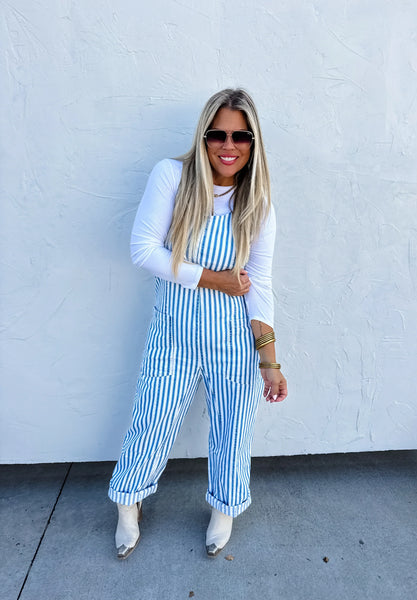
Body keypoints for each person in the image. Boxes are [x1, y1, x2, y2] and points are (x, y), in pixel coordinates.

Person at [108, 88, 288, 559]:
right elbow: (143, 249)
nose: (228, 146)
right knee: (152, 419)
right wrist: (215, 279)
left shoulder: (258, 204)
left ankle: (224, 509)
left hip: (233, 340)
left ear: (253, 142)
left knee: (233, 429)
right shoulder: (173, 176)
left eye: (240, 136)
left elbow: (260, 286)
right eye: (217, 134)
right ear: (204, 136)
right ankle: (129, 503)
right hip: (174, 335)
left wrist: (269, 361)